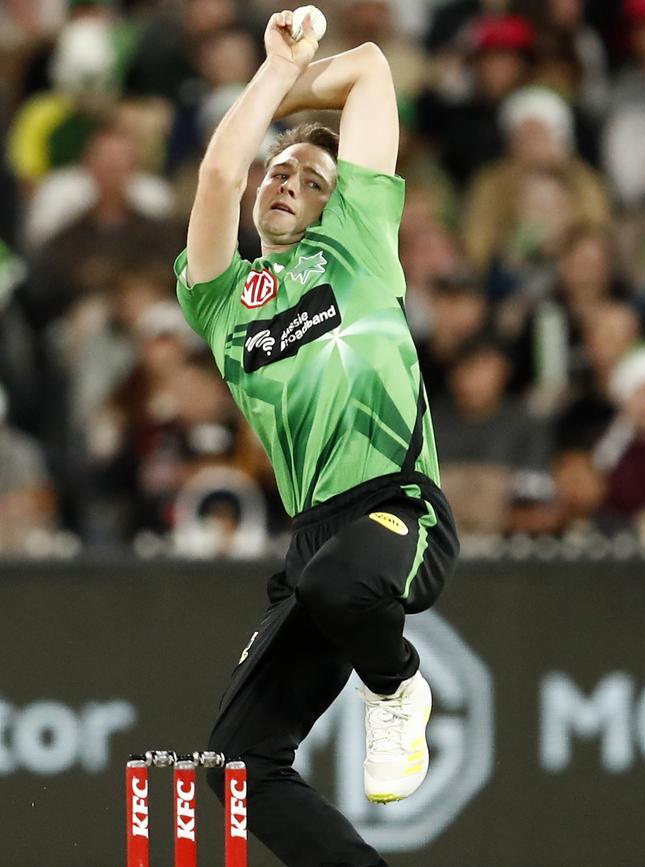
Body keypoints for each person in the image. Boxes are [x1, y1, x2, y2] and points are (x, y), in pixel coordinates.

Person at [175, 10, 459, 866]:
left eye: (312, 174)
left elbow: (370, 67)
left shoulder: (358, 245)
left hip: (400, 511)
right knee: (232, 770)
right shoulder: (223, 297)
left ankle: (398, 683)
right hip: (314, 539)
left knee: (342, 582)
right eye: (281, 167)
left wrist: (285, 71)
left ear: (342, 201)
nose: (287, 179)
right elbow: (221, 171)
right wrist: (269, 81)